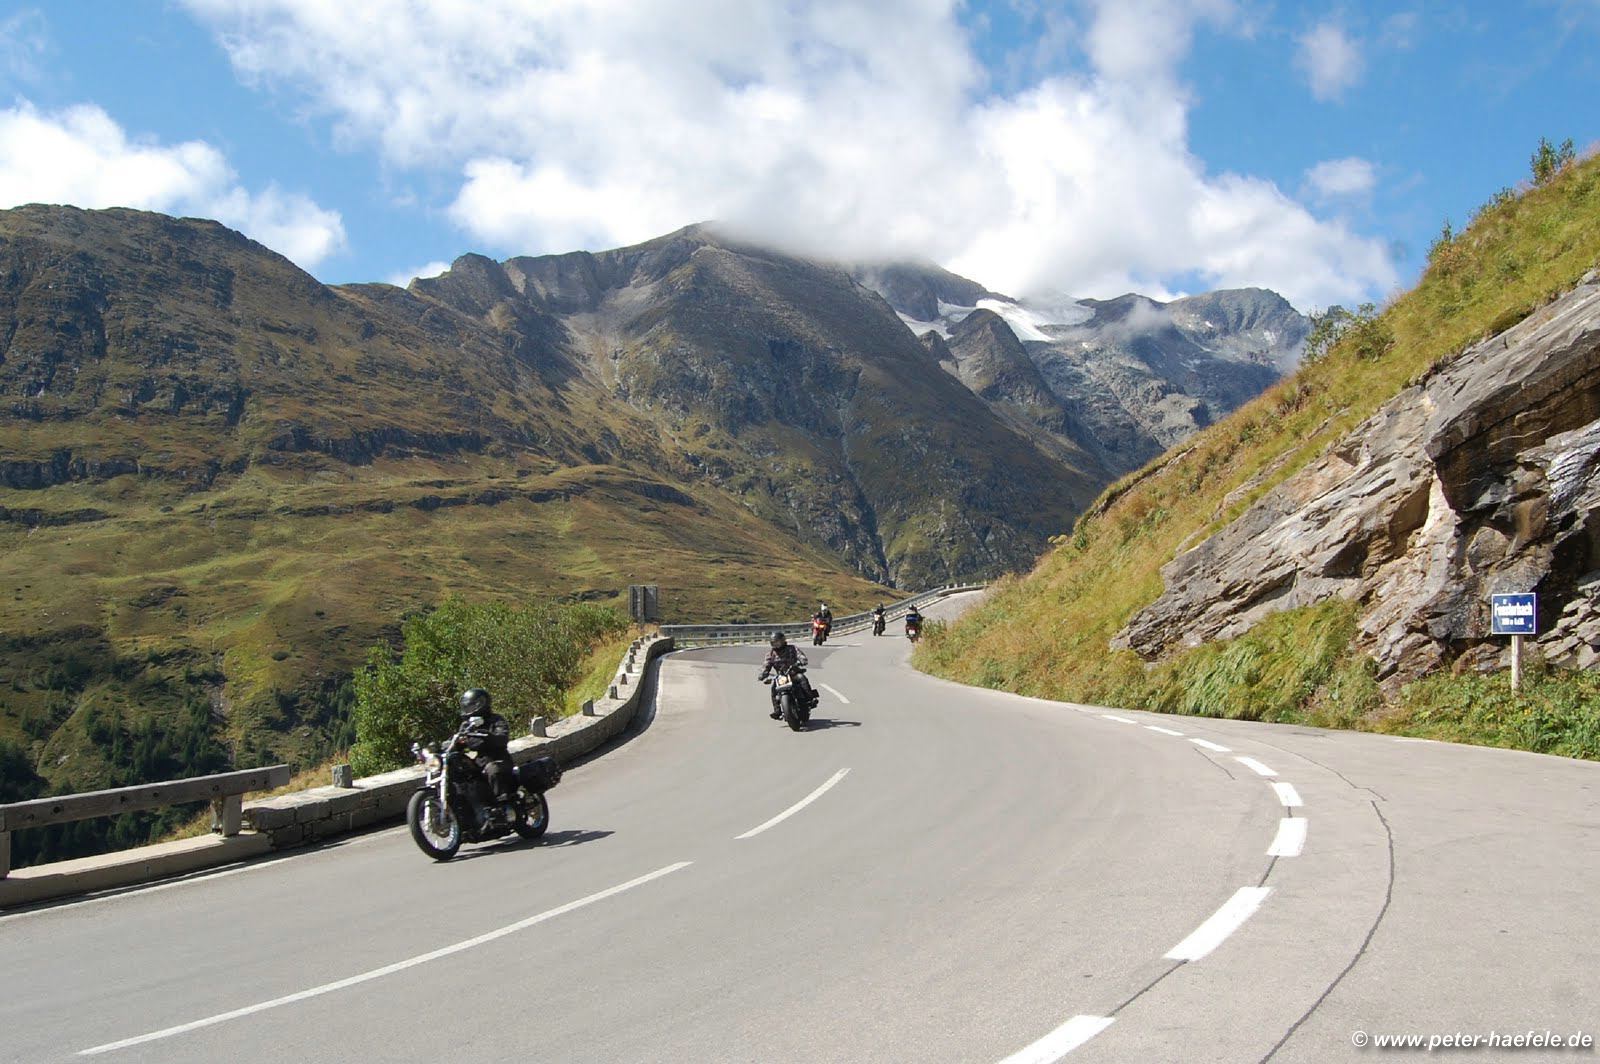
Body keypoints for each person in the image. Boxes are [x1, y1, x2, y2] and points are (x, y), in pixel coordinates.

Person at [456, 688, 515, 817]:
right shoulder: (466, 725)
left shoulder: (496, 720)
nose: (469, 709)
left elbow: (502, 737)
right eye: (467, 706)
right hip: (478, 762)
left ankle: (504, 805)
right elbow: (458, 739)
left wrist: (488, 736)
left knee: (492, 769)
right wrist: (449, 744)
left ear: (481, 704)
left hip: (498, 759)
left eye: (472, 706)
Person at [757, 632, 816, 718]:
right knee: (774, 688)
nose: (776, 645)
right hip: (781, 676)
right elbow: (766, 665)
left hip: (793, 673)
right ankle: (777, 710)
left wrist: (802, 661)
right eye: (774, 643)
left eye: (778, 642)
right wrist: (762, 674)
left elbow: (801, 655)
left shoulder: (792, 648)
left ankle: (810, 699)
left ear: (783, 641)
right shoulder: (770, 654)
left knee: (802, 678)